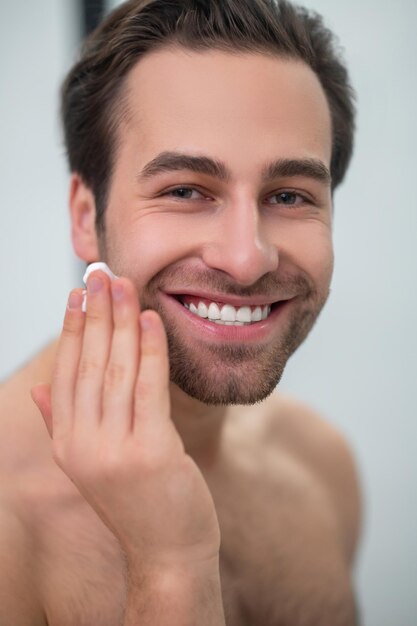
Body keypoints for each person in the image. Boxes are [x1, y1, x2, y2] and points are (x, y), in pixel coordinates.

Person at [0, 0, 363, 624]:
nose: (247, 259)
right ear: (87, 217)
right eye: (186, 191)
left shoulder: (320, 464)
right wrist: (171, 565)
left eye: (288, 195)